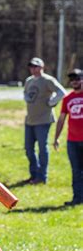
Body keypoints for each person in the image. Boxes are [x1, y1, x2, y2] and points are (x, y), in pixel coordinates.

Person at [23, 57, 66, 184]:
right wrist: (26, 98)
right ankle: (34, 174)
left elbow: (61, 92)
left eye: (35, 66)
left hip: (43, 120)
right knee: (28, 149)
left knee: (42, 148)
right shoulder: (29, 80)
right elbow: (26, 93)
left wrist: (51, 102)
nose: (33, 69)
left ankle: (42, 177)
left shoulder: (47, 80)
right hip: (30, 120)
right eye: (31, 66)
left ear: (42, 67)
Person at [53, 69, 83, 205]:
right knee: (76, 171)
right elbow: (61, 119)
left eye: (77, 79)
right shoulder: (67, 99)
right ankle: (77, 198)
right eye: (72, 80)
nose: (74, 82)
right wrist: (56, 138)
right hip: (73, 141)